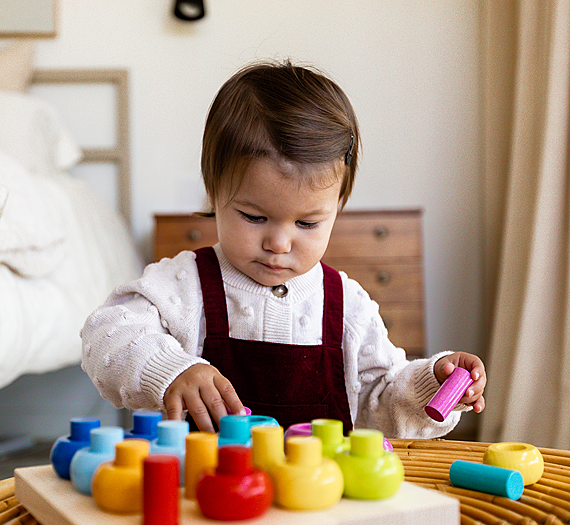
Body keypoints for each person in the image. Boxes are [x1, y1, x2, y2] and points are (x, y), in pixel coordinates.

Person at [81, 60, 486, 438]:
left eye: (307, 223)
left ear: (337, 207)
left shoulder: (348, 306)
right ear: (214, 192)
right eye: (254, 217)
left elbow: (379, 401)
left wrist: (433, 381)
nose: (278, 243)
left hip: (320, 505)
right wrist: (168, 371)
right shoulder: (183, 284)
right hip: (204, 501)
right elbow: (106, 335)